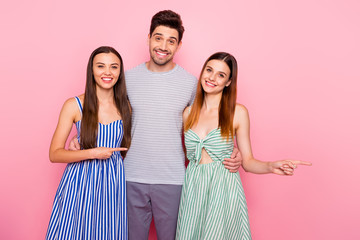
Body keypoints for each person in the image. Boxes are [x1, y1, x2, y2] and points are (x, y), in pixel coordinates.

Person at [70, 10, 241, 240]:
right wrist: (82, 136)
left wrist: (233, 149)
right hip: (129, 177)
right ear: (148, 37)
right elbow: (102, 109)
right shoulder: (126, 80)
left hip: (173, 180)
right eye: (158, 37)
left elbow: (207, 123)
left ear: (179, 45)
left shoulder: (192, 84)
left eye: (171, 41)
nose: (163, 46)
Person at [175, 52, 312, 240]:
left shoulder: (237, 113)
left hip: (223, 189)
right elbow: (187, 156)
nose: (212, 78)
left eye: (221, 75)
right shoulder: (188, 113)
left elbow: (247, 162)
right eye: (209, 70)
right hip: (193, 189)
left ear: (229, 82)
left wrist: (272, 166)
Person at [46, 46, 131, 240]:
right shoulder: (74, 105)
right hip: (80, 182)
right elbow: (55, 154)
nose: (107, 72)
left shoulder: (126, 106)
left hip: (112, 184)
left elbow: (126, 147)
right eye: (100, 66)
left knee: (107, 231)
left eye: (114, 67)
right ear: (91, 70)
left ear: (120, 72)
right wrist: (92, 152)